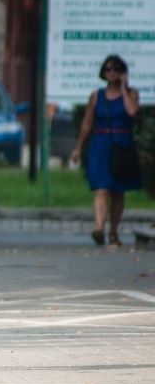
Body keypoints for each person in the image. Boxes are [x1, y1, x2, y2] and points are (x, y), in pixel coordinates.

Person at [70, 54, 142, 247]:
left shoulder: (132, 93)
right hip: (100, 144)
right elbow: (87, 123)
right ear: (103, 72)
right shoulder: (96, 96)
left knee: (118, 191)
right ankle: (99, 228)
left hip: (122, 144)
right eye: (109, 69)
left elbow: (132, 112)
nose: (112, 73)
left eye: (116, 69)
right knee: (101, 188)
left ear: (122, 73)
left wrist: (124, 89)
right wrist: (78, 147)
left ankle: (114, 232)